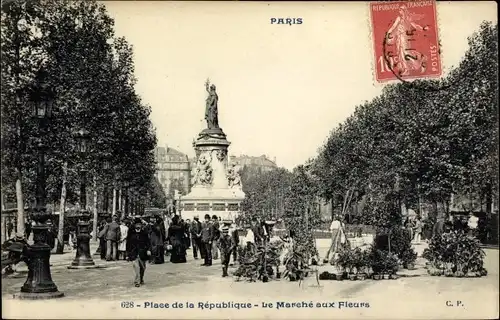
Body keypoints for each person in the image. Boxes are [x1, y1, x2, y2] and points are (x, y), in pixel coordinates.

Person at [127, 219, 151, 287]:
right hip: (133, 253)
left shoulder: (144, 233)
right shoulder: (131, 233)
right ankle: (137, 281)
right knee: (137, 267)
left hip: (143, 253)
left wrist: (149, 250)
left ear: (141, 225)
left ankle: (141, 279)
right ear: (134, 225)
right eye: (137, 224)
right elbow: (128, 244)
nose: (138, 226)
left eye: (139, 224)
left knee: (142, 268)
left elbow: (148, 242)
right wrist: (127, 254)